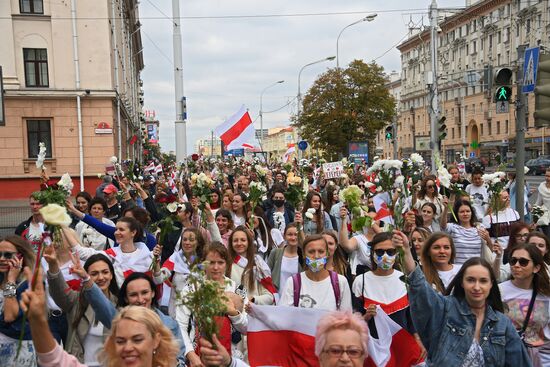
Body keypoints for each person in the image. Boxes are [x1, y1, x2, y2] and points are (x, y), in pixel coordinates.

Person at [394, 230, 532, 366]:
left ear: (491, 284)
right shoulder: (445, 308)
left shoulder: (502, 324)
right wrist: (406, 251)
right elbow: (421, 292)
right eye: (471, 280)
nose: (477, 287)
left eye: (483, 281)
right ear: (461, 282)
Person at [21, 266, 179, 367]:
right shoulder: (109, 313)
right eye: (120, 340)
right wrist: (38, 322)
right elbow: (55, 360)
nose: (128, 347)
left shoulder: (169, 324)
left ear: (157, 340)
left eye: (138, 339)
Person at [351, 232, 425, 363]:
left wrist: (418, 339)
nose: (385, 256)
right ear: (372, 253)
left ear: (396, 254)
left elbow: (411, 317)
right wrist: (366, 316)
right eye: (379, 252)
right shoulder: (360, 281)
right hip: (373, 348)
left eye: (390, 252)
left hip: (401, 346)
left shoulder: (404, 279)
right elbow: (354, 321)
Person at [83, 271, 186, 364]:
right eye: (133, 295)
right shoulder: (121, 321)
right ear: (126, 298)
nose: (140, 300)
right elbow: (102, 306)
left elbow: (180, 360)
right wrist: (86, 278)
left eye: (144, 293)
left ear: (153, 293)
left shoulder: (170, 324)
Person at [175, 242, 248, 367]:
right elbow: (180, 326)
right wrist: (191, 355)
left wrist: (234, 313)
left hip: (230, 357)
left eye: (220, 262)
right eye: (211, 262)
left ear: (227, 264)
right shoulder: (191, 289)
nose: (216, 267)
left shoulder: (237, 290)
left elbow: (247, 328)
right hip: (198, 357)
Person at [45, 249, 118, 365]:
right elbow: (59, 292)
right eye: (94, 274)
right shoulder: (77, 301)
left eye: (105, 272)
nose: (100, 277)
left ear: (112, 275)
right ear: (85, 276)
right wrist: (53, 264)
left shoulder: (120, 304)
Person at [500, 243, 550, 365]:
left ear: (536, 268)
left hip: (544, 358)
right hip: (511, 357)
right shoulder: (499, 291)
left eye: (523, 262)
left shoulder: (546, 294)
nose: (516, 265)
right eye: (513, 261)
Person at [279, 234, 352, 311]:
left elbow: (346, 318)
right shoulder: (293, 282)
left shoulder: (340, 282)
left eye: (321, 251)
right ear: (303, 254)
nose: (316, 256)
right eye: (311, 252)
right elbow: (284, 316)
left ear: (327, 254)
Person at [0, 236, 36, 366]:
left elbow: (9, 316)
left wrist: (11, 280)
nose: (2, 259)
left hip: (17, 354)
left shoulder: (28, 284)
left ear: (21, 257)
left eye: (8, 255)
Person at [228, 226, 275, 305]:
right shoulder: (226, 265)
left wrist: (254, 299)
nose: (239, 243)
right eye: (235, 240)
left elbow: (270, 296)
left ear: (249, 242)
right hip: (234, 314)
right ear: (231, 243)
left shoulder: (258, 264)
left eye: (243, 240)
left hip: (254, 313)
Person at [441, 198, 492, 265]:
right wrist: (445, 209)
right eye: (462, 212)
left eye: (468, 211)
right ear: (457, 214)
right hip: (458, 269)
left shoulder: (480, 227)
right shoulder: (453, 227)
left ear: (471, 213)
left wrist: (488, 239)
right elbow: (443, 226)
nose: (465, 214)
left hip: (476, 268)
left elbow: (491, 248)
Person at [267, 223, 304, 292]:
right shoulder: (275, 253)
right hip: (277, 297)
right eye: (290, 234)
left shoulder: (302, 256)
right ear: (284, 236)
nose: (293, 238)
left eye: (296, 235)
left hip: (296, 298)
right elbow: (266, 274)